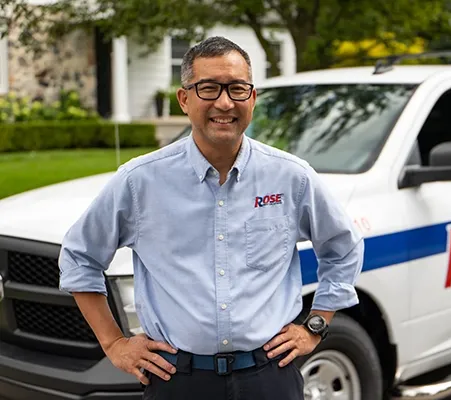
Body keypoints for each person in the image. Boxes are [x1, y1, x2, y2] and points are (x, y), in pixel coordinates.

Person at [58, 36, 364, 399]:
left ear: (252, 98)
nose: (224, 102)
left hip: (270, 377)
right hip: (178, 380)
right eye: (208, 88)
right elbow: (79, 257)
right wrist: (114, 344)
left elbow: (343, 248)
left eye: (237, 89)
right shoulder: (140, 182)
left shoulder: (292, 178)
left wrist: (315, 326)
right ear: (184, 99)